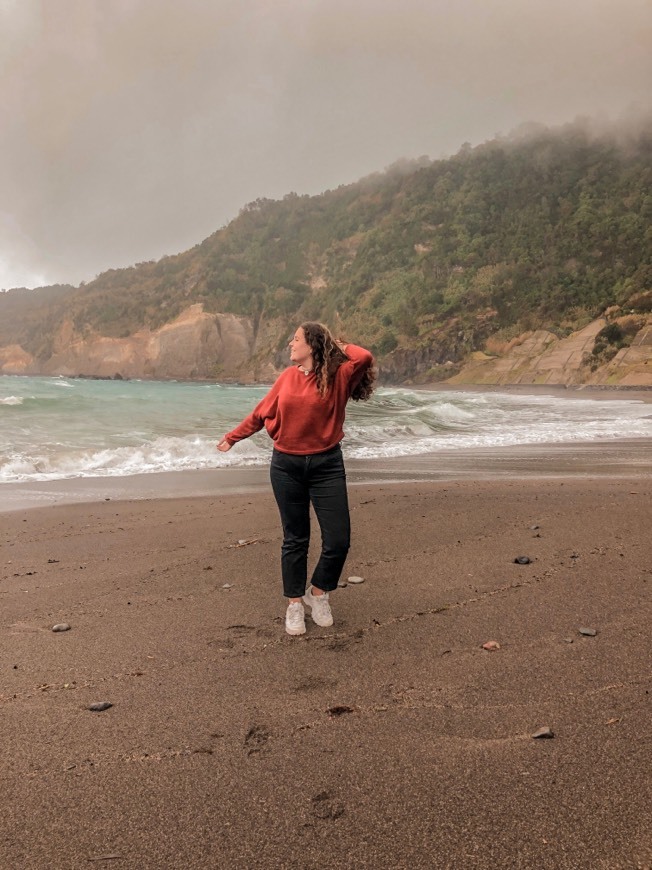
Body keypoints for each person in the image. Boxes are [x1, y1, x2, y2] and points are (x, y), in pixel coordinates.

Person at [217, 322, 375, 636]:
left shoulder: (338, 378)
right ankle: (293, 605)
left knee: (338, 539)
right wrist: (232, 438)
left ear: (313, 346)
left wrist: (337, 343)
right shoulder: (286, 378)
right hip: (286, 467)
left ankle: (318, 593)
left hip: (327, 465)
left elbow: (364, 357)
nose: (291, 343)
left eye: (297, 338)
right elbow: (261, 413)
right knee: (295, 539)